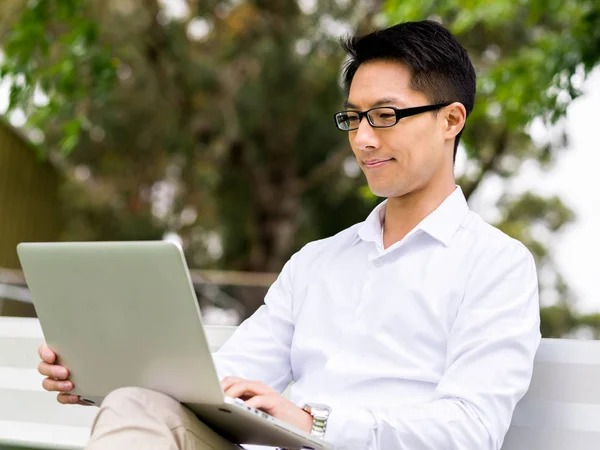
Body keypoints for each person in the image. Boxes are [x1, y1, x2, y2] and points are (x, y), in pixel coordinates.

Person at [36, 20, 541, 450]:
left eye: (385, 116)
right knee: (136, 404)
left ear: (451, 120)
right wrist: (105, 377)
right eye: (353, 118)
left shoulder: (497, 264)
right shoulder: (316, 263)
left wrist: (314, 421)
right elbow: (222, 383)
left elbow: (471, 429)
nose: (363, 139)